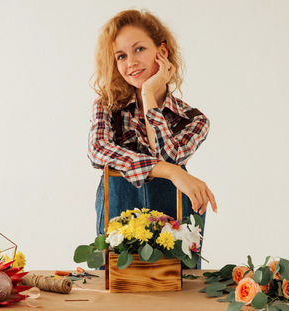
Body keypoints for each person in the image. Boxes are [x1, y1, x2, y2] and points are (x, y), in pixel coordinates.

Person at [87, 9, 217, 267]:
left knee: (178, 296)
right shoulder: (107, 107)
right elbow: (98, 151)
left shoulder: (193, 119)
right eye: (121, 56)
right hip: (118, 216)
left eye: (139, 49)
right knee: (117, 296)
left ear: (162, 52)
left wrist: (149, 95)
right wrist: (173, 172)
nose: (131, 62)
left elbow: (169, 155)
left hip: (175, 218)